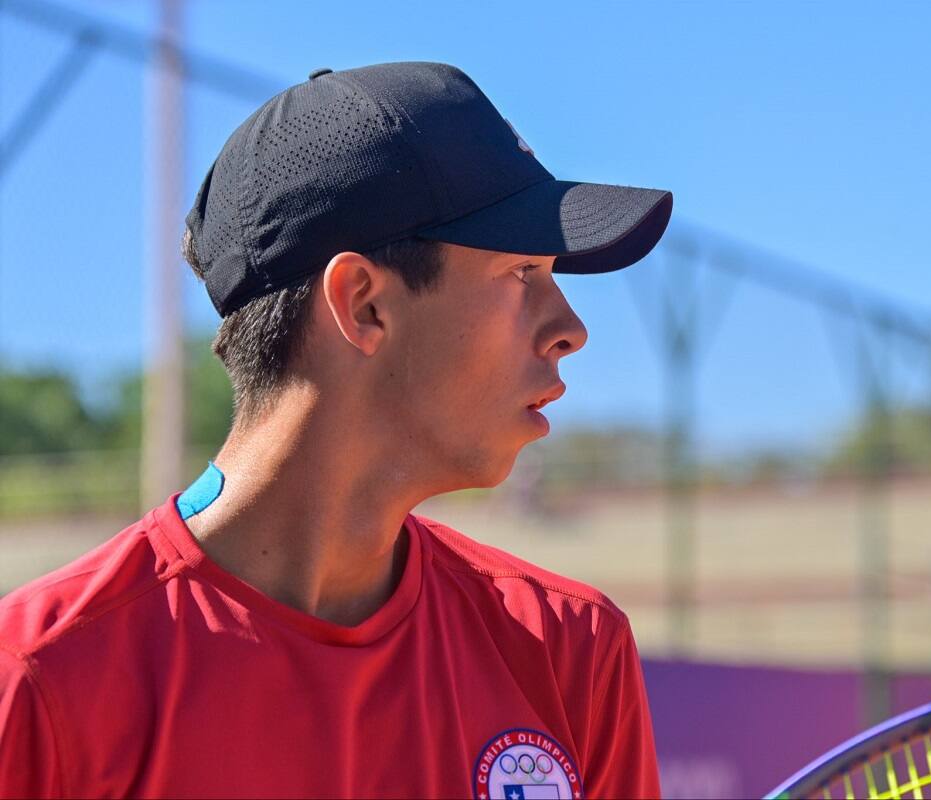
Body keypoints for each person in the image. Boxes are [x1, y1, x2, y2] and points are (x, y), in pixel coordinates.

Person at [0, 62, 672, 799]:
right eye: (521, 272)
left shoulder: (567, 647)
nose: (570, 329)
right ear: (362, 304)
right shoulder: (39, 676)